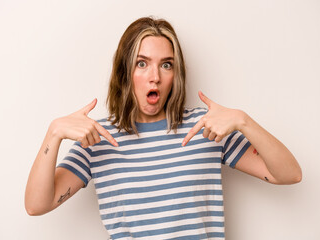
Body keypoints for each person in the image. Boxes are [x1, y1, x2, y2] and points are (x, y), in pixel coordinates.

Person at [25, 17, 302, 239]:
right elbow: (36, 205)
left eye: (166, 65)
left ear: (175, 73)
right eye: (142, 64)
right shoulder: (97, 137)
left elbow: (289, 174)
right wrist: (54, 133)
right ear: (125, 73)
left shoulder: (206, 127)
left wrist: (243, 120)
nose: (154, 77)